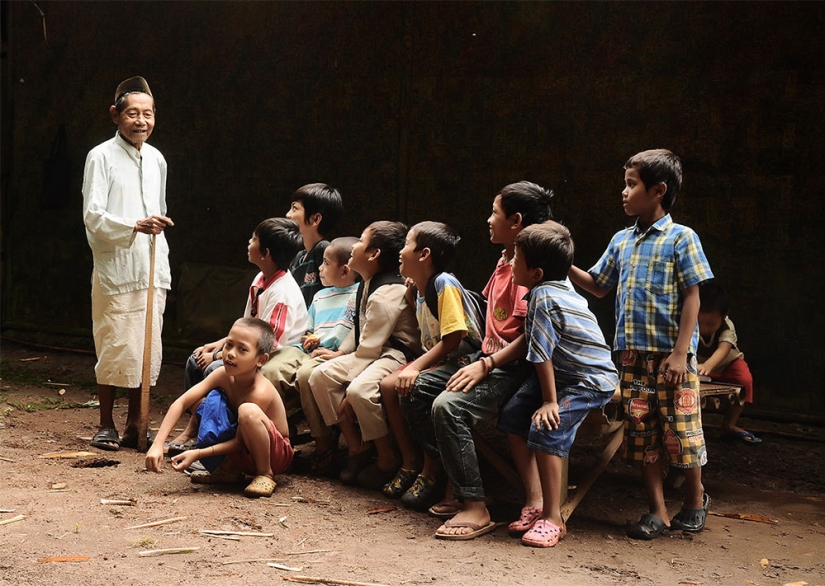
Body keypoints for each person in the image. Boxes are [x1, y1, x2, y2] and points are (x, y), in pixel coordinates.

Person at [568, 149, 714, 540]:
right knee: (642, 433)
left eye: (632, 184)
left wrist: (681, 353)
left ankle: (695, 501)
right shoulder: (621, 241)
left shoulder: (682, 238)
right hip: (632, 357)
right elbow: (599, 286)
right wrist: (560, 261)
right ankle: (657, 511)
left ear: (658, 190)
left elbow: (692, 297)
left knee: (682, 433)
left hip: (672, 357)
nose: (624, 191)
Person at [407, 181, 552, 536]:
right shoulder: (505, 259)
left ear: (516, 221)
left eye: (495, 213)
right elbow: (491, 314)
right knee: (419, 388)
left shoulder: (529, 267)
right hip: (486, 357)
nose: (488, 220)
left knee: (449, 407)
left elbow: (528, 336)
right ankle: (455, 483)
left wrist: (486, 363)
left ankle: (476, 506)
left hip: (513, 367)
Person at [496, 221, 618, 547]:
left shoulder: (543, 298)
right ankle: (535, 502)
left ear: (536, 272)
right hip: (565, 375)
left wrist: (550, 401)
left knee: (546, 427)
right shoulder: (555, 282)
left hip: (588, 380)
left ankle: (554, 517)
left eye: (516, 258)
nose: (510, 263)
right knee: (512, 416)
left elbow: (540, 355)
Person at [82, 76, 174, 452]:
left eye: (148, 114)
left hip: (152, 264)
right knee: (115, 343)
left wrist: (155, 225)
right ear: (115, 116)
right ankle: (106, 425)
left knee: (146, 346)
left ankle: (137, 423)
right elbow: (93, 215)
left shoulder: (157, 159)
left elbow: (160, 208)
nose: (141, 121)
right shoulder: (100, 156)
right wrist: (134, 226)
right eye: (133, 113)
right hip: (116, 266)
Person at [169, 218, 308, 450]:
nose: (248, 242)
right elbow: (246, 327)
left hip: (275, 353)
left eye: (254, 239)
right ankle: (199, 427)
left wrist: (219, 356)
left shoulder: (282, 293)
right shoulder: (260, 279)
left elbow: (267, 341)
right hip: (251, 345)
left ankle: (210, 436)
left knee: (215, 369)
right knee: (195, 361)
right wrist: (216, 345)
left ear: (266, 253)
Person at [373, 222, 484, 495]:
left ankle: (432, 464)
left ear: (423, 254)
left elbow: (455, 336)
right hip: (445, 361)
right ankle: (411, 461)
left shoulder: (443, 283)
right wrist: (413, 294)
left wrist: (417, 368)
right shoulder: (421, 289)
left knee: (412, 386)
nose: (400, 251)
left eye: (407, 245)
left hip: (465, 362)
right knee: (388, 386)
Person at [308, 221, 422, 485]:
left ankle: (385, 457)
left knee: (359, 391)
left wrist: (348, 385)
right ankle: (356, 445)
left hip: (395, 354)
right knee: (319, 377)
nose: (354, 246)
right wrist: (341, 354)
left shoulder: (387, 293)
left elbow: (370, 347)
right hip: (372, 351)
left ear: (373, 254)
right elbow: (360, 331)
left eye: (360, 240)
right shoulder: (368, 283)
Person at [145, 317, 293, 498]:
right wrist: (158, 444)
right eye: (229, 345)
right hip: (243, 452)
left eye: (242, 349)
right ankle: (226, 471)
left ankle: (265, 474)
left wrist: (197, 453)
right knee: (204, 404)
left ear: (261, 360)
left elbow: (239, 442)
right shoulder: (222, 374)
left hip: (273, 454)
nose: (231, 353)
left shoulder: (260, 391)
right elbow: (182, 402)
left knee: (248, 411)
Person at [259, 237, 359, 462]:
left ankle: (322, 439)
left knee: (307, 376)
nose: (320, 268)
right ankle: (276, 432)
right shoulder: (320, 296)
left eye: (325, 264)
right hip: (306, 351)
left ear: (344, 271)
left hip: (335, 354)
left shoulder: (359, 294)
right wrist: (309, 338)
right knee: (269, 369)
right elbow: (309, 329)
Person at [697, 281, 760, 443]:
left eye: (711, 324)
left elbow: (723, 349)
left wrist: (708, 366)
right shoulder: (687, 319)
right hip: (697, 367)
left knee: (744, 380)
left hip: (726, 364)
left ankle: (729, 424)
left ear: (724, 315)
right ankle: (695, 425)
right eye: (700, 323)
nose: (704, 329)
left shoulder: (727, 325)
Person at [286, 183, 344, 309]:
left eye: (294, 208)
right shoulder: (298, 258)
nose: (288, 215)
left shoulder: (324, 250)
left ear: (315, 219)